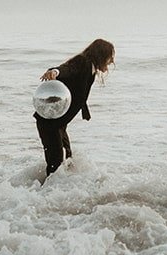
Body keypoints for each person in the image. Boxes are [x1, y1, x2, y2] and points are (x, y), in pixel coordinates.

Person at [35, 38, 115, 177]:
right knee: (56, 163)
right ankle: (45, 195)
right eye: (109, 58)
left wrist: (85, 111)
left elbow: (79, 92)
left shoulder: (91, 69)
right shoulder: (82, 62)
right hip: (49, 123)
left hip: (58, 123)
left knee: (68, 159)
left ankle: (63, 190)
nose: (111, 62)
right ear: (101, 55)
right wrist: (55, 72)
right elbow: (66, 69)